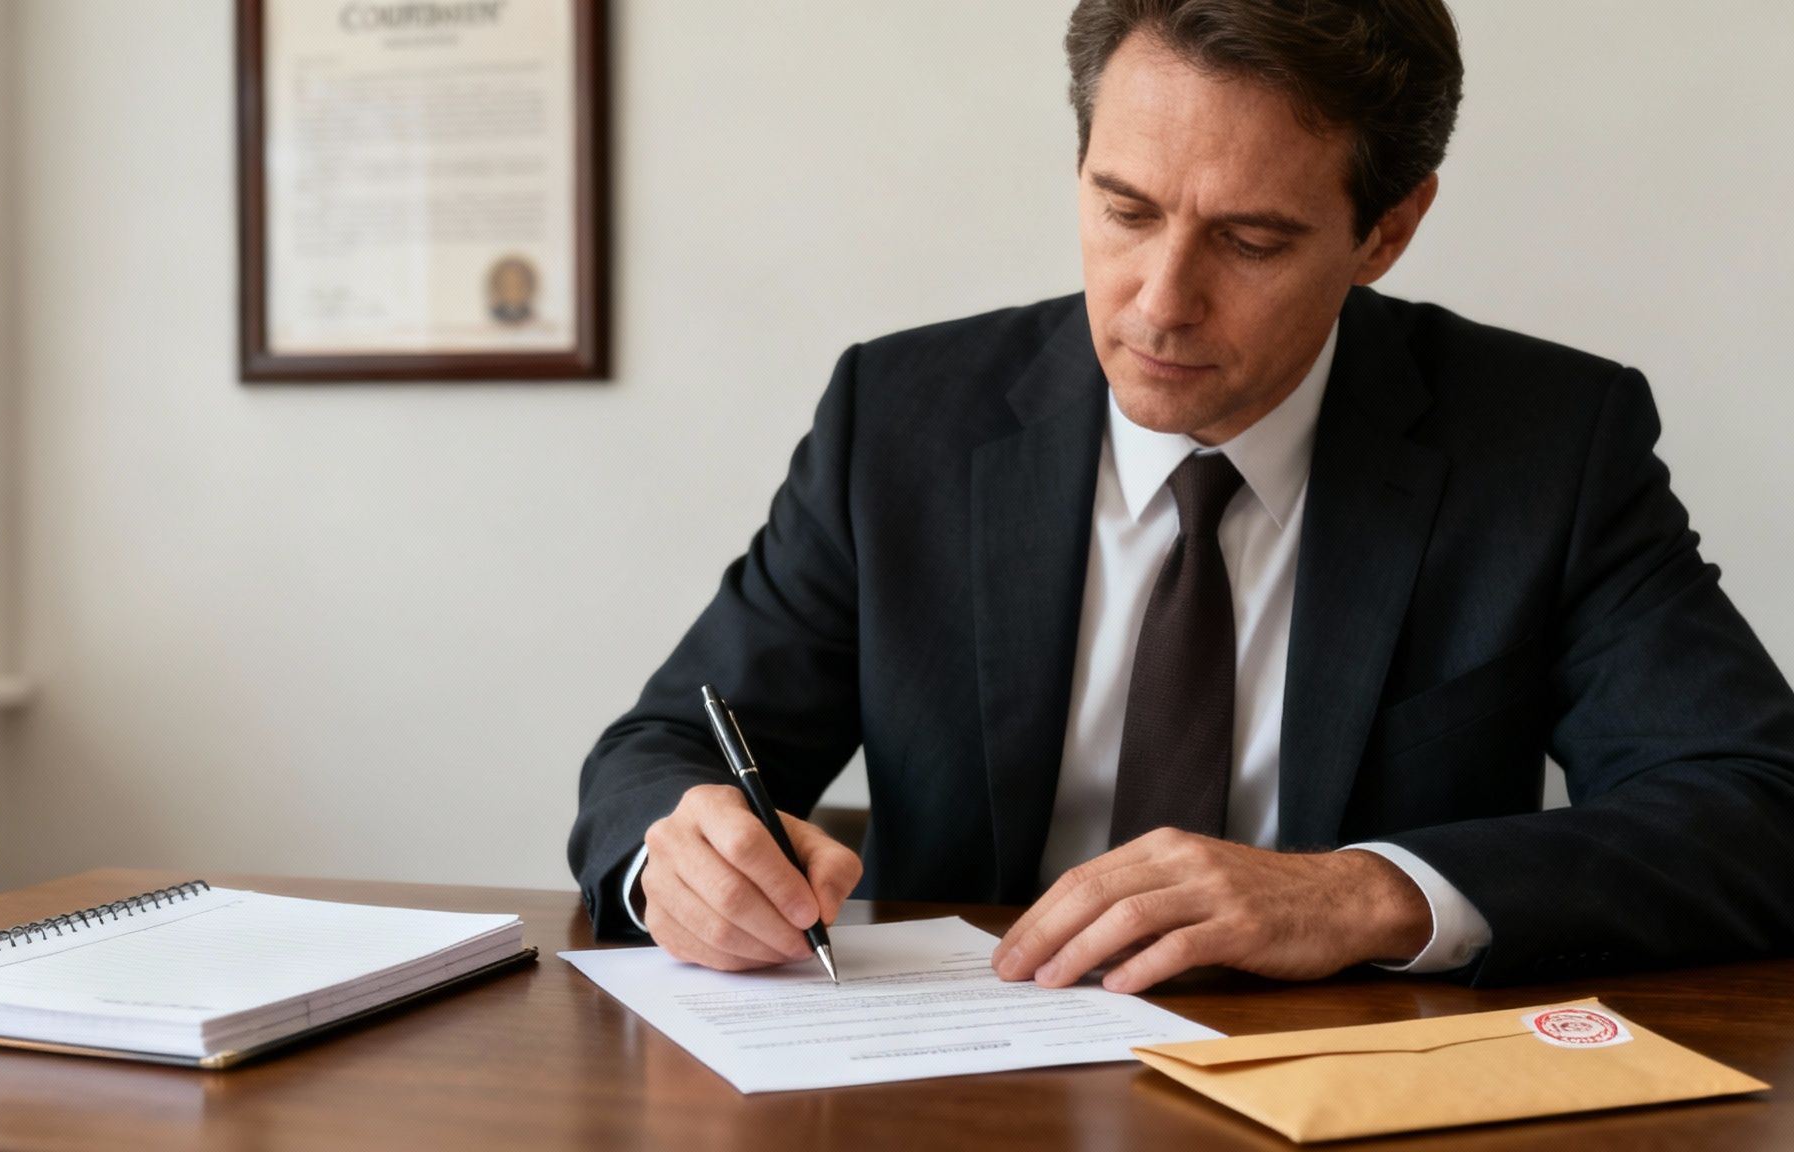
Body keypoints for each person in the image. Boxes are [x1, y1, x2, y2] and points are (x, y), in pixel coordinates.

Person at [567, 0, 1794, 991]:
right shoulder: (901, 418)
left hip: (1357, 1091)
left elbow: (1756, 810)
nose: (1157, 301)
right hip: (959, 1075)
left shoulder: (1542, 444)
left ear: (1386, 232)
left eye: (1249, 241)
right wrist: (676, 856)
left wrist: (1361, 892)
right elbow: (666, 746)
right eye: (1123, 209)